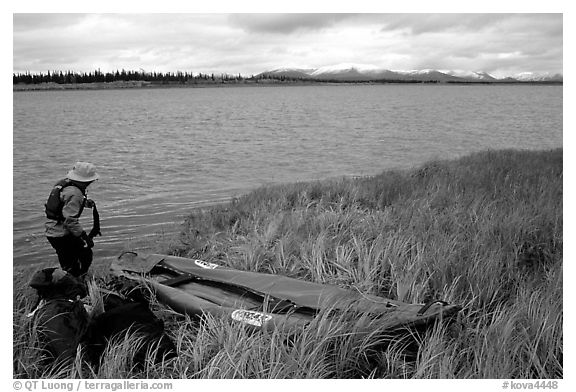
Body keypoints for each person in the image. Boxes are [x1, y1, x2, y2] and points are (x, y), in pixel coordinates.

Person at [45, 162, 99, 277]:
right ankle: (73, 287)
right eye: (90, 181)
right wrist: (84, 236)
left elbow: (61, 204)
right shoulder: (76, 193)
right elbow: (70, 220)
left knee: (74, 260)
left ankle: (76, 281)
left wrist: (85, 203)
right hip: (61, 235)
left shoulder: (65, 185)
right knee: (77, 261)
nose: (91, 183)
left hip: (52, 230)